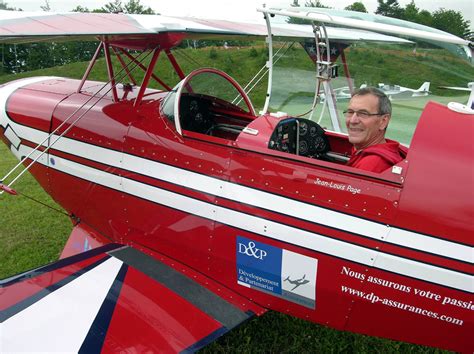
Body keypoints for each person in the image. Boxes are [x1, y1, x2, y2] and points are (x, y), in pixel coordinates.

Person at [344, 87, 405, 173]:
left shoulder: (372, 164)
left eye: (363, 113)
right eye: (350, 112)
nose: (352, 120)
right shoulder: (365, 152)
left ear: (383, 121)